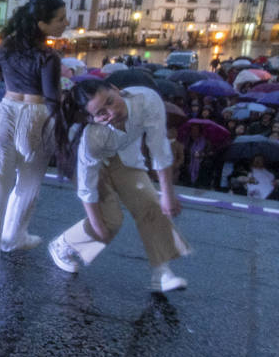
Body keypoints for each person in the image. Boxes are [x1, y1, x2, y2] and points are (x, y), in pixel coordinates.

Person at [48, 78, 190, 293]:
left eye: (110, 101)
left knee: (151, 204)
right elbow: (87, 187)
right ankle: (63, 245)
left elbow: (159, 147)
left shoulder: (147, 100)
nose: (111, 113)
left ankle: (162, 273)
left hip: (125, 157)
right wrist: (98, 227)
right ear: (91, 118)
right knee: (110, 222)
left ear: (116, 89)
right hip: (91, 163)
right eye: (101, 113)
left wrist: (167, 193)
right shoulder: (92, 135)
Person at [0, 0, 68, 282]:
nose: (66, 23)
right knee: (29, 184)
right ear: (41, 24)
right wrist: (62, 133)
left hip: (4, 113)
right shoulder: (49, 57)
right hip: (36, 117)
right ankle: (13, 236)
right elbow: (51, 100)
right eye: (60, 19)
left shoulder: (5, 48)